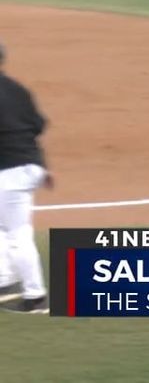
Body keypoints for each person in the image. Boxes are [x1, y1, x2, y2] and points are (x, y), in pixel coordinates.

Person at [0, 40, 53, 314]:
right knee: (3, 225)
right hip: (27, 166)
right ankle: (5, 280)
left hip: (10, 172)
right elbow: (38, 125)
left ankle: (35, 297)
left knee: (18, 232)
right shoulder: (17, 88)